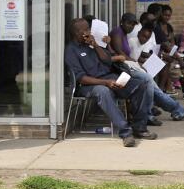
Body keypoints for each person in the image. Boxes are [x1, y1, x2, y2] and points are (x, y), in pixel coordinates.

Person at [64, 18, 156, 147]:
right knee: (104, 91)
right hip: (89, 85)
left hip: (110, 78)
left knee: (142, 85)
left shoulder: (91, 44)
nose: (89, 31)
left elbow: (107, 60)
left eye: (89, 28)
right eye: (86, 29)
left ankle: (139, 128)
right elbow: (81, 78)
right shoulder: (71, 50)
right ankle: (126, 132)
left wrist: (96, 46)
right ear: (77, 33)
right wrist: (105, 82)